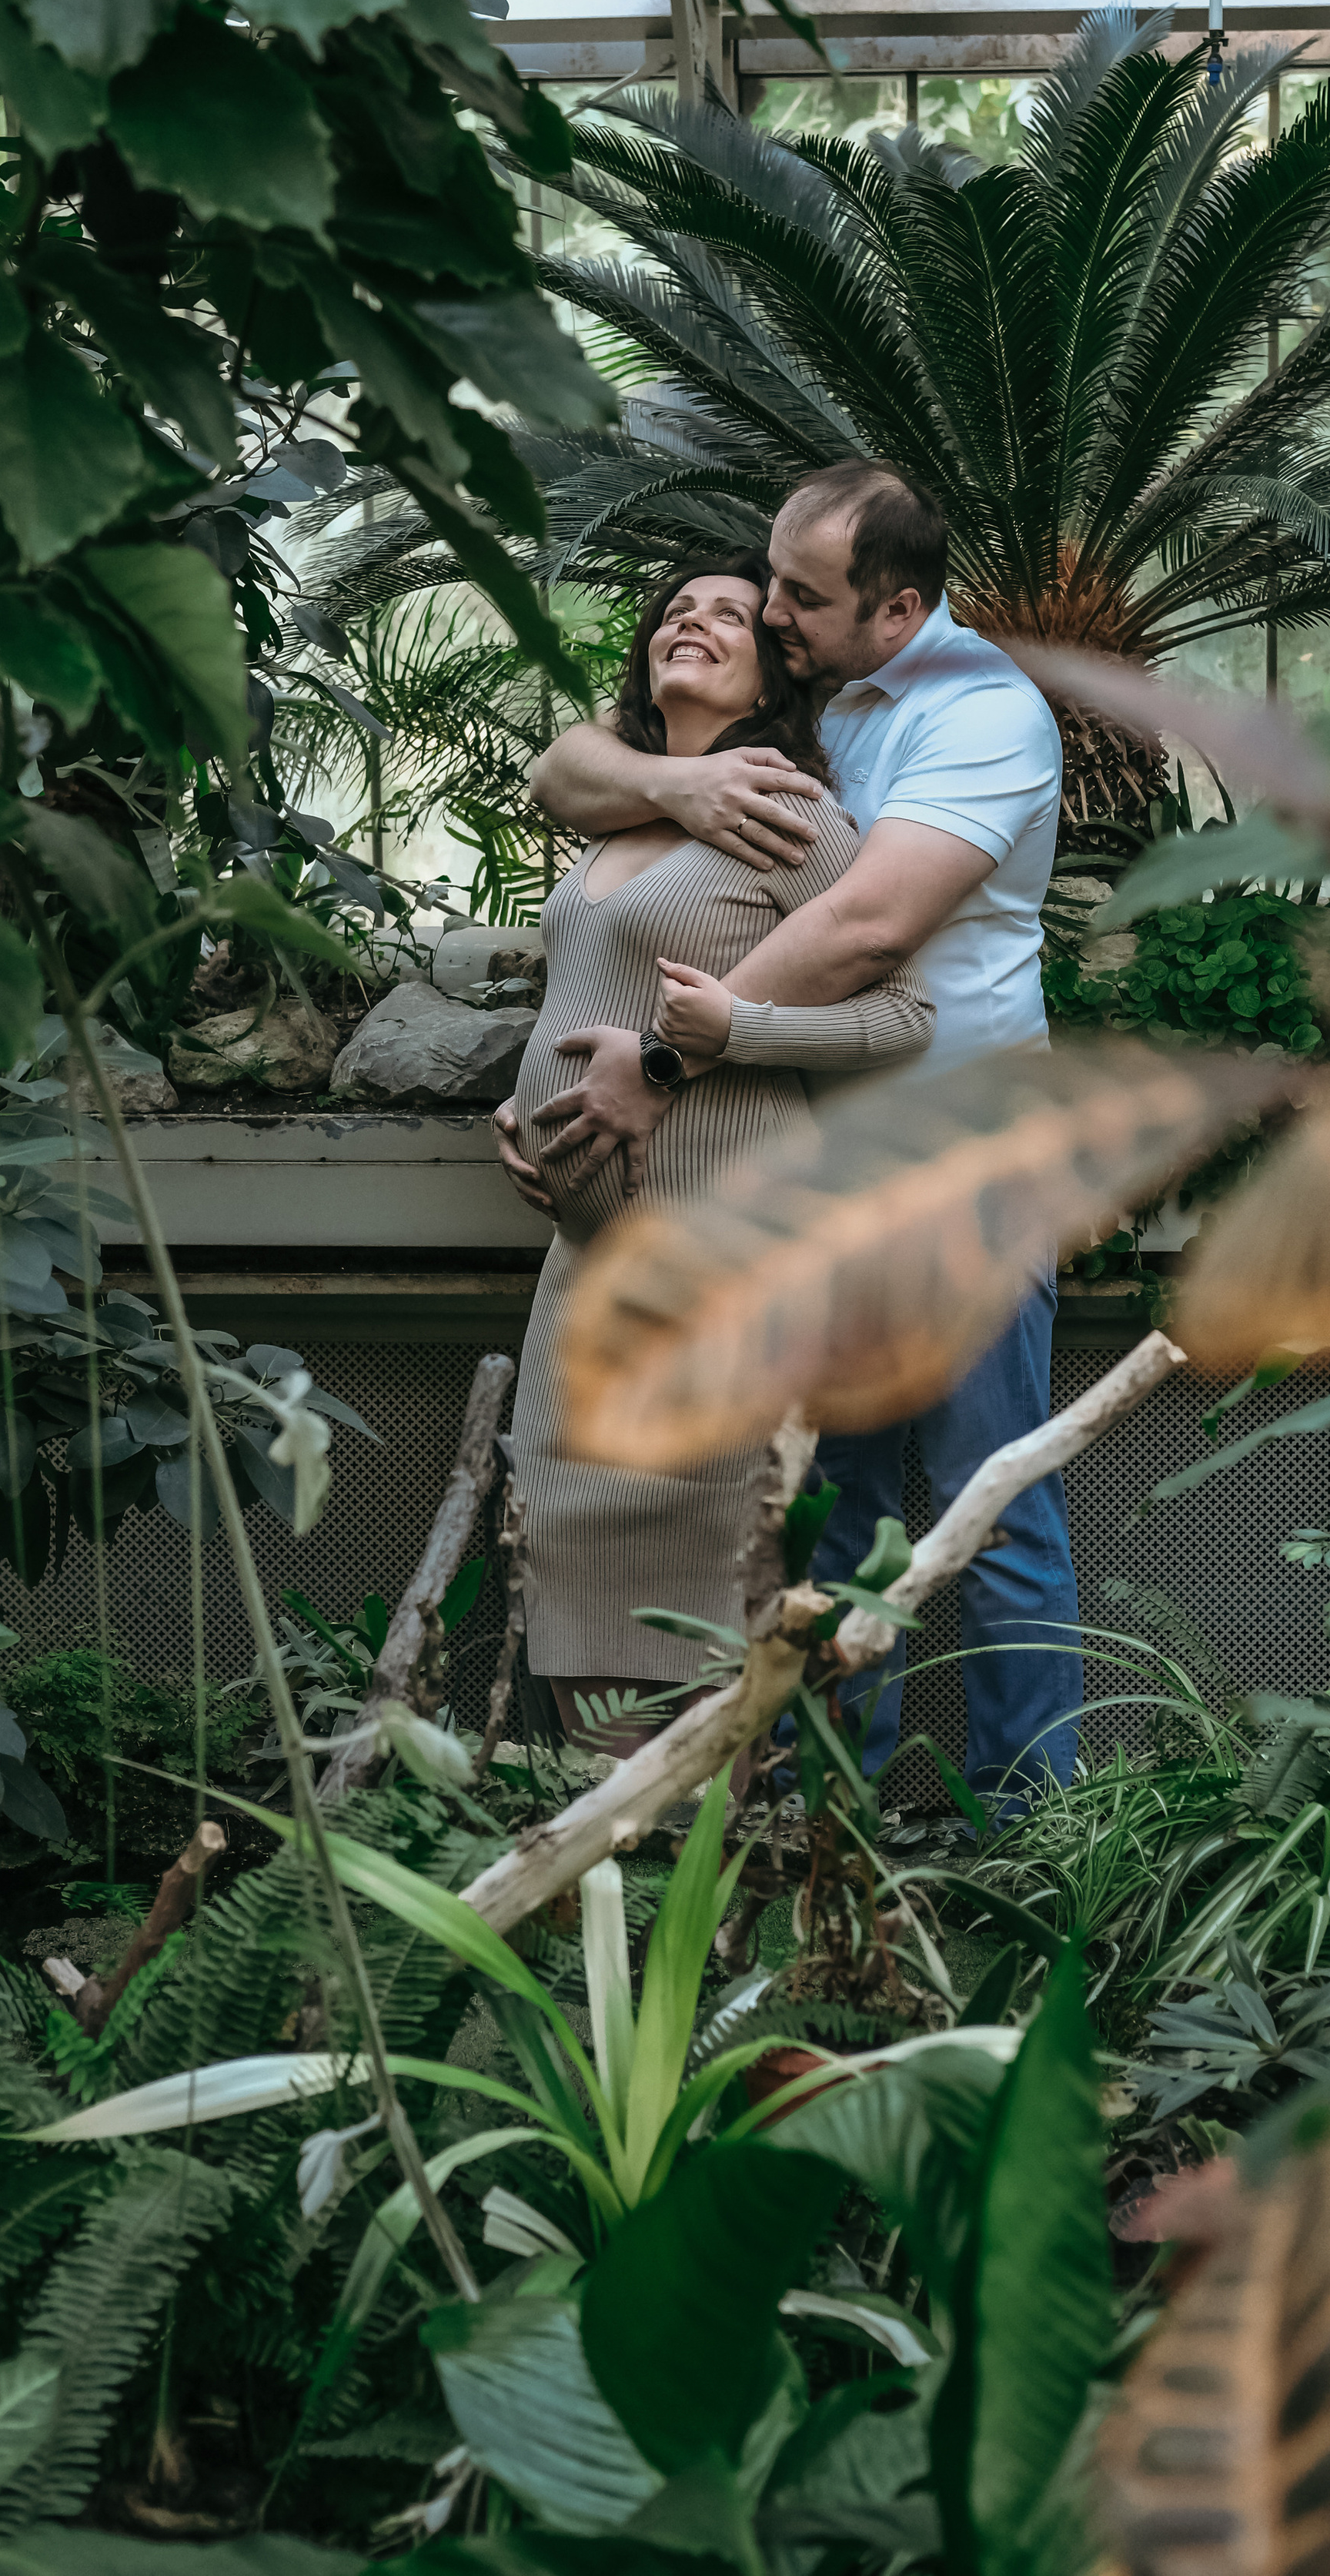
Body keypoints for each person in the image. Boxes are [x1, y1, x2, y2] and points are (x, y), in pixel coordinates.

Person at [499, 461, 1077, 1807]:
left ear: (900, 611)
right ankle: (830, 1832)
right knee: (837, 1521)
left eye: (798, 597)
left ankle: (1035, 1839)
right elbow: (568, 767)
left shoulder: (981, 711)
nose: (769, 611)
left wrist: (658, 1060)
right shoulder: (816, 695)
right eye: (770, 583)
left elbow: (867, 934)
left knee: (989, 1511)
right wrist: (678, 785)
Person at [497, 547, 934, 1764]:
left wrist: (738, 1030)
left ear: (770, 674)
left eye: (728, 616)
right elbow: (587, 980)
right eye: (673, 610)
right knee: (562, 1503)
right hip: (590, 1247)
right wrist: (525, 1097)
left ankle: (700, 1860)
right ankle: (601, 1851)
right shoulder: (636, 801)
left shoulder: (782, 812)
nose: (689, 622)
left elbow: (905, 1016)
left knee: (711, 1544)